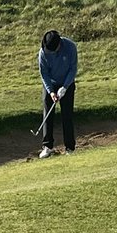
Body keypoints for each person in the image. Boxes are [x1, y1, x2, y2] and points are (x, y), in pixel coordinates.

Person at [37, 29, 77, 158]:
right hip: (51, 84)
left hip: (67, 83)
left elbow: (73, 68)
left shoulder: (70, 47)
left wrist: (65, 87)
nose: (51, 52)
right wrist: (51, 91)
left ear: (59, 44)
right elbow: (44, 73)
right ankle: (47, 146)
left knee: (67, 115)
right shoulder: (43, 52)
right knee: (48, 113)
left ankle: (70, 148)